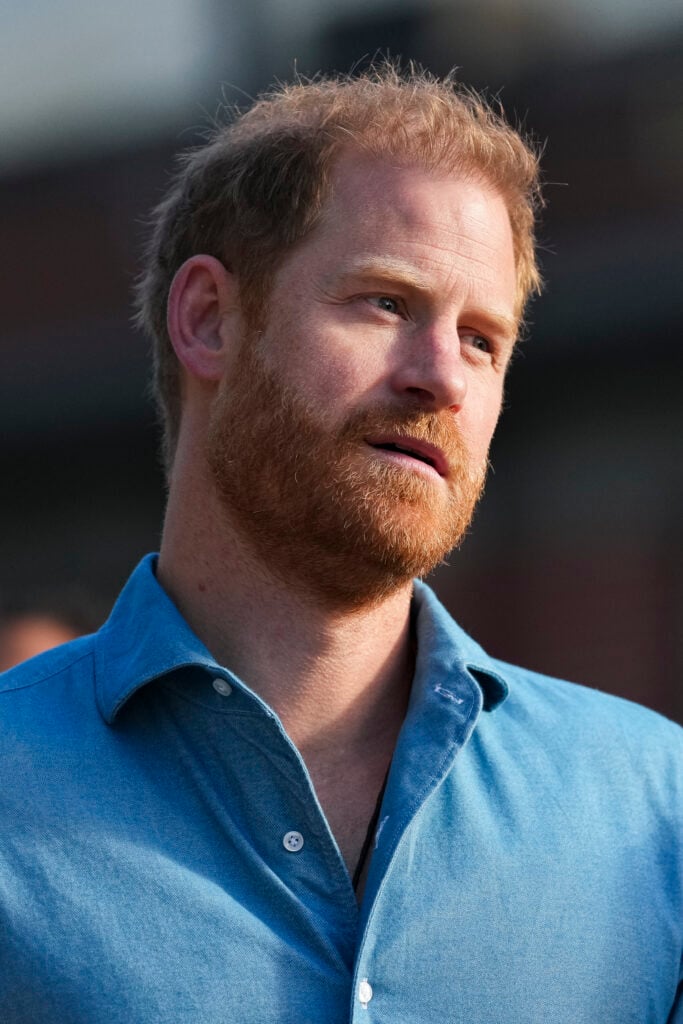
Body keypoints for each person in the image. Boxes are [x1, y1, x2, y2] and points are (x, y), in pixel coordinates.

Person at [0, 65, 681, 1023]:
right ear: (208, 320)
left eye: (483, 340)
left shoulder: (654, 812)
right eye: (386, 303)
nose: (442, 377)